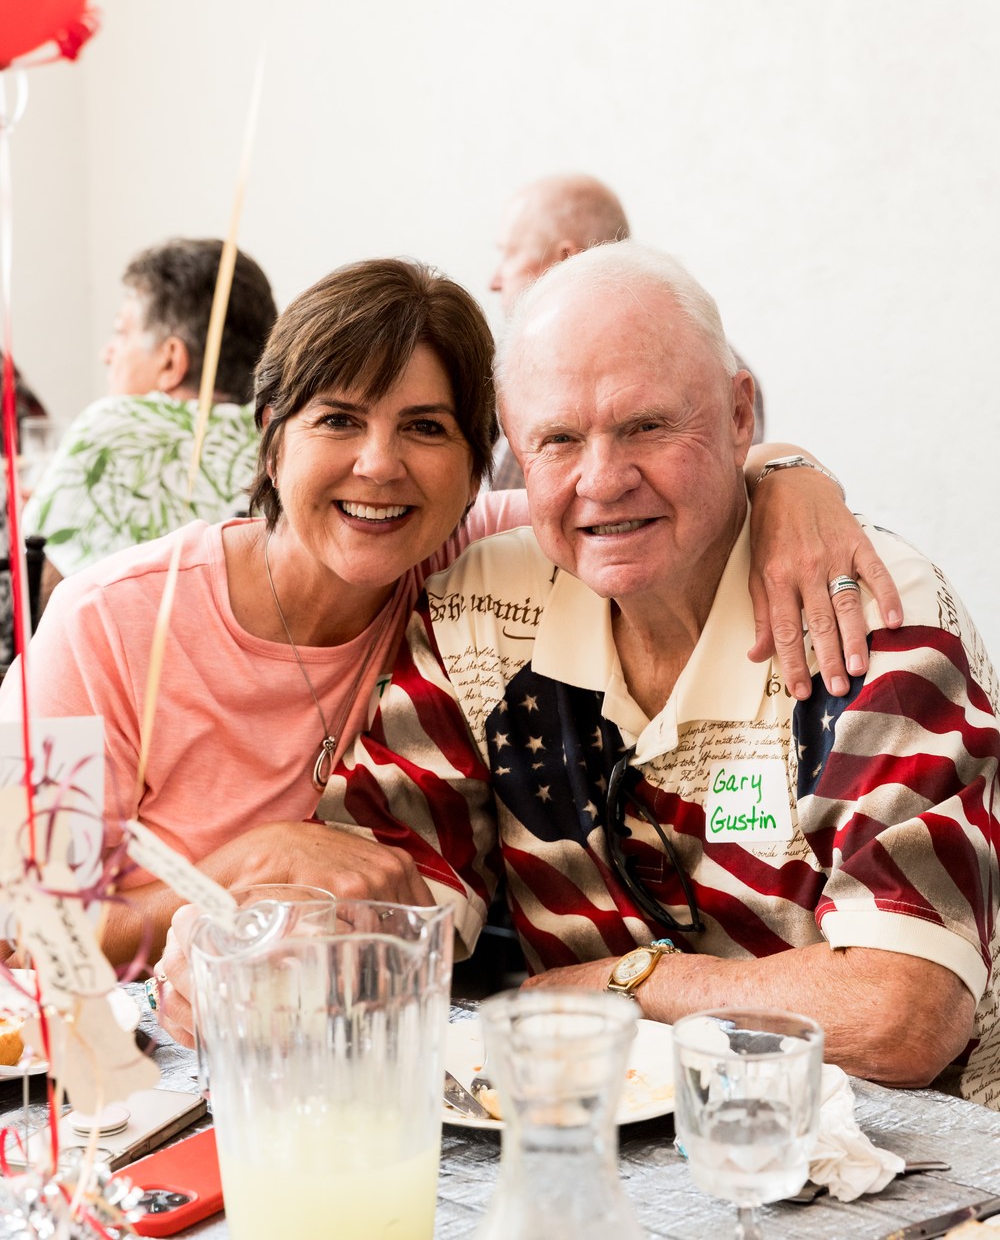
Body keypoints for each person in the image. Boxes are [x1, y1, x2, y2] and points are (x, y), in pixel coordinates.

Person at [4, 257, 891, 982]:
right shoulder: (108, 628)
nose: (379, 465)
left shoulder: (467, 557)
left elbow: (650, 495)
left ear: (477, 467)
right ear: (271, 439)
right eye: (338, 419)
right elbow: (28, 929)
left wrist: (789, 478)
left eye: (426, 428)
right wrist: (244, 868)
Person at [320, 245, 1000, 1107]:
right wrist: (269, 945)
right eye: (558, 439)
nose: (603, 480)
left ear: (740, 415)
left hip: (916, 1149)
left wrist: (626, 984)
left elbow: (901, 1015)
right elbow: (385, 903)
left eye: (645, 426)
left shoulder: (861, 612)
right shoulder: (477, 611)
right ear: (515, 452)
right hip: (603, 1138)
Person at [22, 239, 277, 602]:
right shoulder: (276, 440)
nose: (107, 353)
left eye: (121, 332)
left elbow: (41, 599)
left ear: (171, 361)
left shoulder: (110, 425)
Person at [488, 174, 764, 487]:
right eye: (561, 438)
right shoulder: (524, 373)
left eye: (647, 427)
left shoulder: (710, 367)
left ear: (568, 261)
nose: (494, 281)